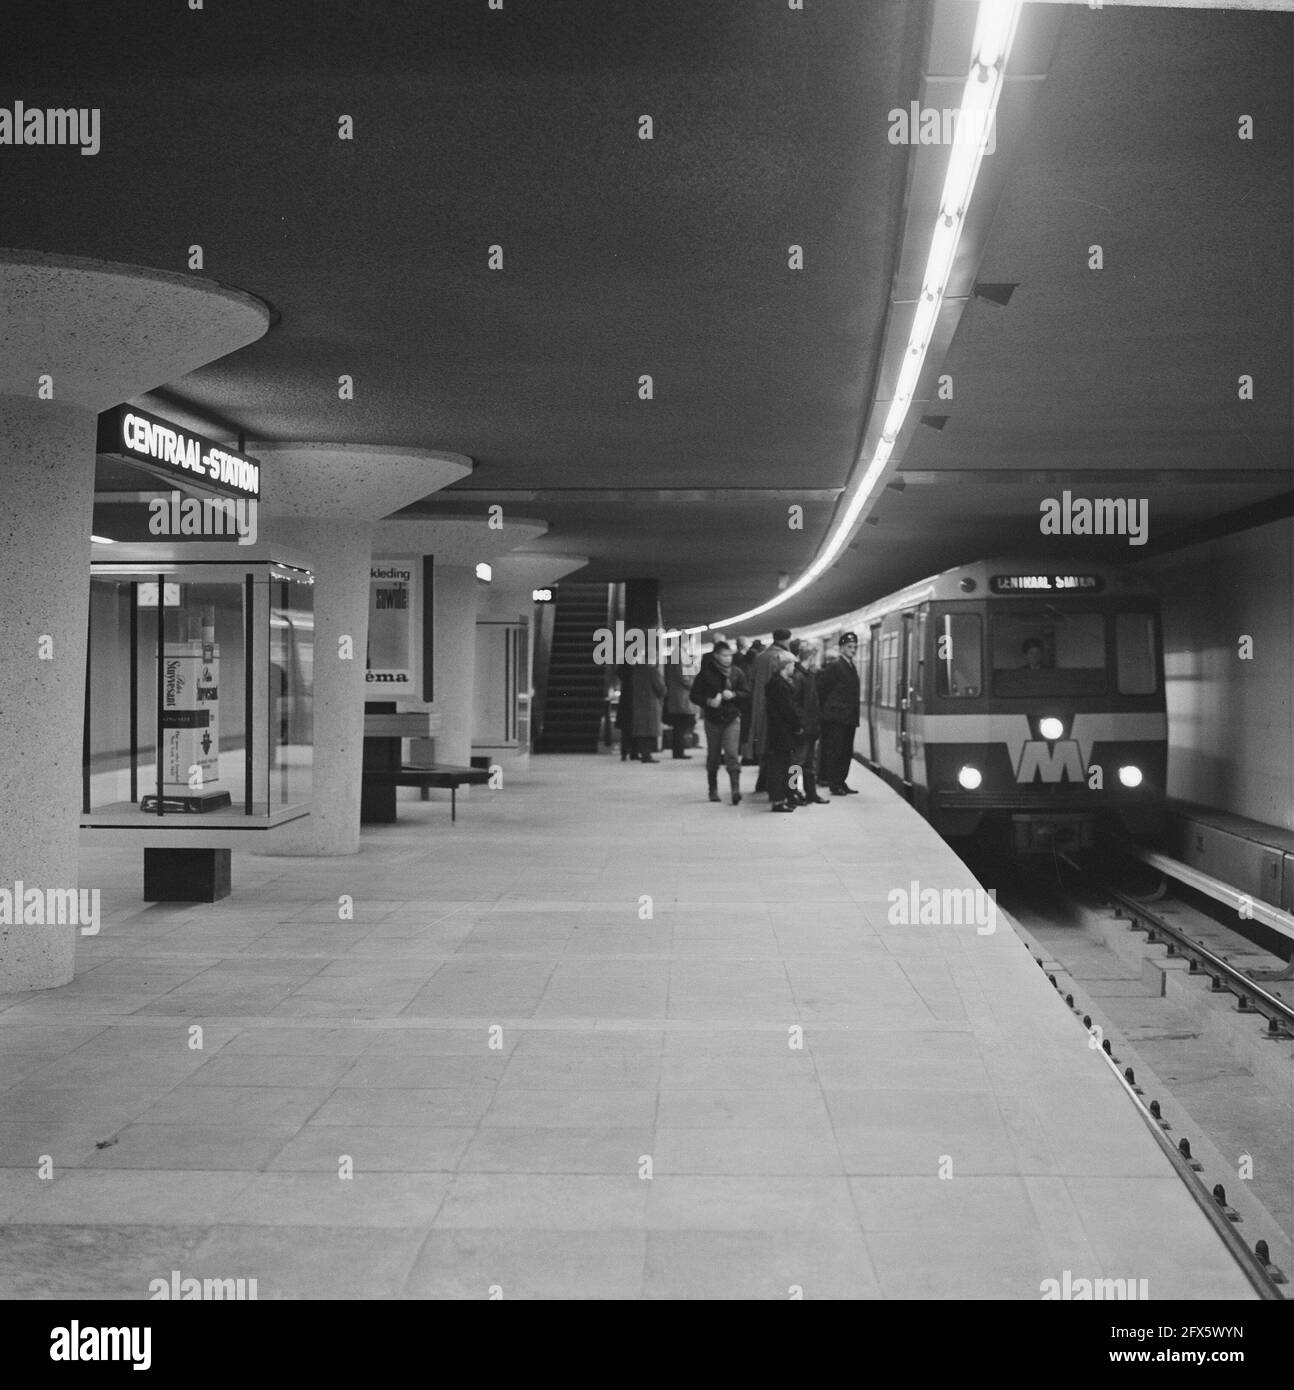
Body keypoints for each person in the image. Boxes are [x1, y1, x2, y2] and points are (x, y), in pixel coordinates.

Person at [690, 641, 750, 804]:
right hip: (713, 719)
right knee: (714, 755)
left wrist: (734, 695)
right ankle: (713, 789)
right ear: (716, 656)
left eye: (729, 655)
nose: (727, 659)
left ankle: (735, 790)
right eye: (724, 655)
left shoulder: (737, 673)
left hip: (732, 718)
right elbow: (694, 695)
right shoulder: (706, 674)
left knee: (731, 753)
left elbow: (746, 693)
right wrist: (709, 701)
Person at [745, 627, 793, 789]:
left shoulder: (759, 658)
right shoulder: (784, 658)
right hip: (779, 710)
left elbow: (751, 681)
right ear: (787, 640)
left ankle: (762, 782)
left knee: (765, 747)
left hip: (759, 707)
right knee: (786, 755)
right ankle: (788, 789)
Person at [817, 631, 861, 795]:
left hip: (848, 718)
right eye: (850, 647)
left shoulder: (850, 665)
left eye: (855, 647)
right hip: (836, 718)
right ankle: (834, 783)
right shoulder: (835, 666)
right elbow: (823, 689)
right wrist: (827, 712)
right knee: (836, 751)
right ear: (842, 648)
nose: (853, 649)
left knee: (846, 751)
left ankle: (841, 781)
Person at [763, 648, 804, 813]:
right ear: (785, 666)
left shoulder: (778, 683)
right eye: (792, 664)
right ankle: (779, 800)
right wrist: (798, 725)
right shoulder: (779, 686)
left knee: (786, 766)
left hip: (781, 732)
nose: (794, 667)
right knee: (779, 768)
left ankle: (787, 795)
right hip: (782, 733)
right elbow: (788, 710)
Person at [788, 639, 828, 805]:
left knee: (809, 763)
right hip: (802, 729)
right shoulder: (798, 677)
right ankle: (792, 793)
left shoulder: (808, 675)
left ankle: (811, 793)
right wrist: (801, 724)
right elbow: (795, 704)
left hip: (810, 728)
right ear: (810, 658)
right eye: (814, 658)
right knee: (796, 763)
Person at [629, 662, 666, 762]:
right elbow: (661, 689)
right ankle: (647, 755)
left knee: (641, 729)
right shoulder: (652, 671)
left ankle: (642, 753)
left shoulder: (636, 670)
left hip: (638, 702)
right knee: (649, 729)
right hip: (651, 703)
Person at [663, 658, 696, 759]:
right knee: (681, 725)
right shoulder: (680, 660)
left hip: (678, 697)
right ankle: (678, 751)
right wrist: (695, 684)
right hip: (681, 698)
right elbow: (684, 678)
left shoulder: (675, 659)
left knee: (679, 726)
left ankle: (678, 751)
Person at [615, 663, 635, 760]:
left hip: (625, 701)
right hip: (633, 700)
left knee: (625, 730)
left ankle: (625, 752)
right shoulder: (635, 667)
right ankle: (633, 752)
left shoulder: (624, 666)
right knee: (632, 728)